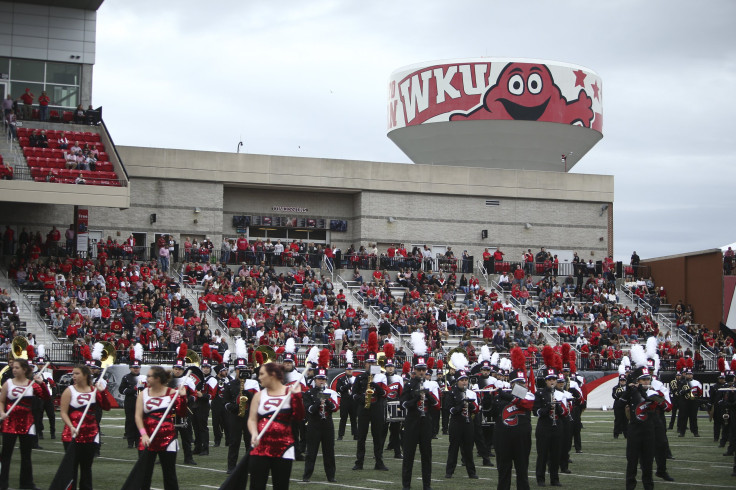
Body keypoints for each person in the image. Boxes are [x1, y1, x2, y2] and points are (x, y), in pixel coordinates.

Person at [247, 362, 304, 490]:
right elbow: (251, 419)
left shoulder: (290, 393)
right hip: (260, 447)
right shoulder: (259, 395)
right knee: (256, 485)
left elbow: (299, 417)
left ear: (272, 375)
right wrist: (254, 433)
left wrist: (297, 397)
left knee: (281, 486)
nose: (259, 377)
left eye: (262, 374)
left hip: (284, 448)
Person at [136, 366, 189, 490]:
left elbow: (182, 413)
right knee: (144, 475)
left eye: (149, 376)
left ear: (157, 378)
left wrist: (183, 398)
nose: (147, 378)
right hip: (147, 439)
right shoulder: (143, 394)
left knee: (169, 475)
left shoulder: (171, 393)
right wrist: (143, 434)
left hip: (168, 439)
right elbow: (138, 417)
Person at [0, 358, 50, 490]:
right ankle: (2, 483)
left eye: (17, 367)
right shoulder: (8, 383)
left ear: (24, 369)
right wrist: (2, 412)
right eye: (13, 368)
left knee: (26, 456)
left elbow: (46, 397)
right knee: (6, 455)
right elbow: (1, 401)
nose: (14, 370)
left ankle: (27, 484)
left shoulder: (32, 384)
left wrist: (42, 384)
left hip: (27, 424)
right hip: (9, 423)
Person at [60, 363, 111, 490]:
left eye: (77, 373)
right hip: (72, 434)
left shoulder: (94, 391)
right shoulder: (69, 390)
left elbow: (107, 407)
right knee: (72, 467)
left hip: (91, 434)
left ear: (85, 375)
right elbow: (63, 412)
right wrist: (71, 426)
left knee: (86, 467)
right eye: (73, 374)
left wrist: (102, 392)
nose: (74, 376)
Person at [493, 365, 536, 490]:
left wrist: (510, 396)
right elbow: (490, 412)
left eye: (523, 382)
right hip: (503, 438)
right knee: (503, 471)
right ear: (512, 384)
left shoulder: (529, 395)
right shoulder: (501, 396)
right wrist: (492, 398)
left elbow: (527, 404)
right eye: (518, 383)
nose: (522, 385)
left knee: (522, 470)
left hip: (522, 438)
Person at [400, 355, 438, 490]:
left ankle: (427, 485)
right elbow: (403, 404)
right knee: (409, 455)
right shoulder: (409, 385)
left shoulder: (430, 384)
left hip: (426, 423)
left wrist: (427, 395)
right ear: (414, 370)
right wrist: (416, 398)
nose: (422, 372)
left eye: (423, 369)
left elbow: (436, 404)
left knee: (427, 455)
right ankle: (406, 485)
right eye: (419, 369)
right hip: (412, 423)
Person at [351, 349, 389, 471]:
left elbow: (384, 393)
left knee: (377, 436)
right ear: (365, 364)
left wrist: (376, 386)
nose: (371, 365)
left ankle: (379, 462)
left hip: (377, 407)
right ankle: (359, 462)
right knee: (361, 436)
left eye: (373, 363)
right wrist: (361, 398)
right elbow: (354, 394)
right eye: (369, 363)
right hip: (363, 408)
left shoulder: (381, 377)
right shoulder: (360, 377)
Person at [302, 365, 339, 482]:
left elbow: (335, 408)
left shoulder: (331, 392)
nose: (321, 381)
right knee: (311, 452)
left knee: (329, 452)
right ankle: (307, 475)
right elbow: (309, 410)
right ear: (315, 380)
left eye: (323, 379)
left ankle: (331, 476)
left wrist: (326, 400)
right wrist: (319, 401)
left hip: (327, 424)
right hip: (314, 424)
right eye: (319, 379)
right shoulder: (308, 393)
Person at [224, 351, 259, 474]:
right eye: (238, 369)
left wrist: (247, 394)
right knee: (234, 441)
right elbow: (226, 401)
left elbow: (257, 399)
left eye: (243, 369)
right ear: (235, 370)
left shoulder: (253, 383)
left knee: (250, 441)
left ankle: (250, 465)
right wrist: (232, 407)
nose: (240, 371)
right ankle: (231, 466)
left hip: (249, 416)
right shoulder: (229, 384)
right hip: (235, 416)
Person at [622, 364, 656, 490]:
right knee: (632, 461)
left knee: (647, 462)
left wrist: (641, 388)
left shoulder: (653, 391)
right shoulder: (632, 392)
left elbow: (658, 404)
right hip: (634, 430)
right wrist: (630, 388)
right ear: (638, 380)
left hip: (648, 430)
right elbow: (620, 402)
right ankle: (630, 486)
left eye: (648, 379)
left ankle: (648, 486)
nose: (647, 381)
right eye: (643, 379)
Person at [444, 366, 479, 480]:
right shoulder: (451, 393)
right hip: (456, 423)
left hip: (468, 423)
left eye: (466, 380)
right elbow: (450, 410)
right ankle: (449, 471)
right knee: (453, 448)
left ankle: (471, 472)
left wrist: (470, 404)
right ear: (457, 381)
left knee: (469, 448)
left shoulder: (470, 393)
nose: (464, 382)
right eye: (462, 380)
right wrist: (461, 404)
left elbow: (476, 409)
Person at [533, 366, 563, 487]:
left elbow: (563, 413)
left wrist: (557, 406)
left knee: (556, 455)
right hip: (544, 428)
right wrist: (548, 408)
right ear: (546, 381)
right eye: (549, 379)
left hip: (556, 427)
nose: (552, 381)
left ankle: (554, 479)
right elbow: (536, 412)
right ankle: (540, 478)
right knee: (543, 454)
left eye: (554, 379)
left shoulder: (560, 394)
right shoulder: (539, 393)